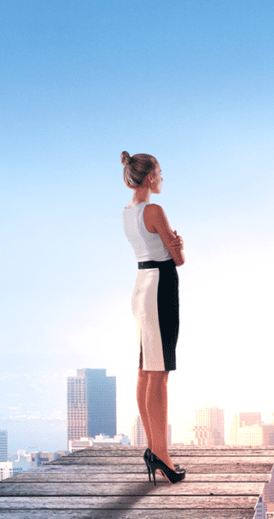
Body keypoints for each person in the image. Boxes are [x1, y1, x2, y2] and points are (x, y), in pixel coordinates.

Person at [120, 151, 186, 484]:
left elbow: (157, 247)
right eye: (159, 173)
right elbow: (178, 258)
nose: (161, 178)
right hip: (160, 288)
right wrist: (178, 244)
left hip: (141, 286)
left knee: (146, 370)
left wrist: (172, 243)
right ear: (149, 178)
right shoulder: (154, 210)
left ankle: (153, 448)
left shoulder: (127, 213)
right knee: (159, 374)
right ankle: (162, 456)